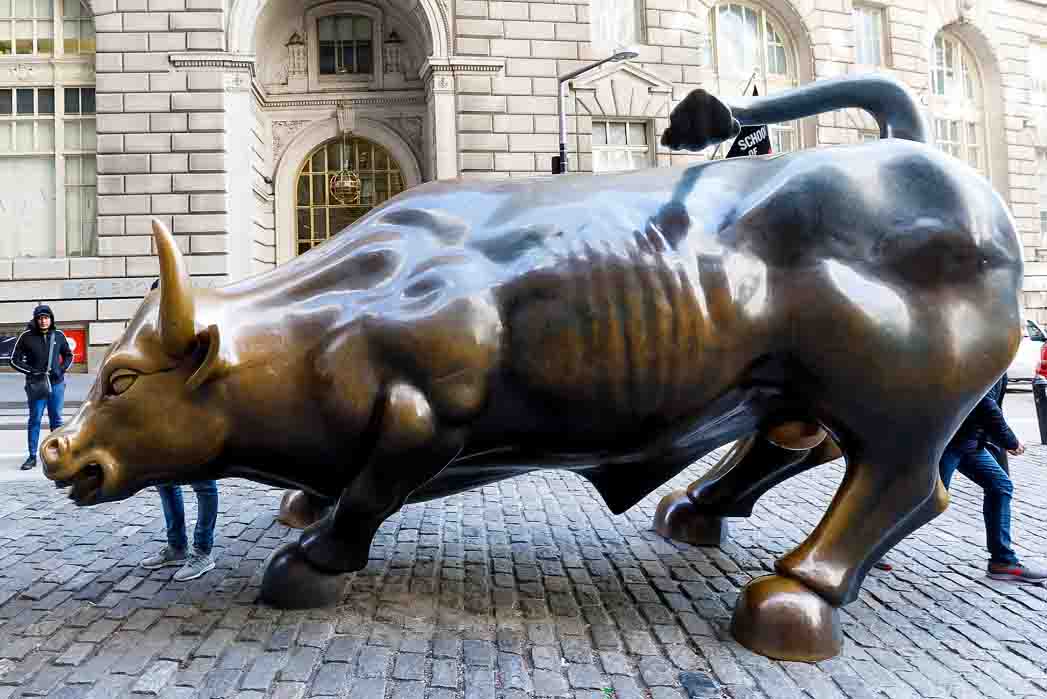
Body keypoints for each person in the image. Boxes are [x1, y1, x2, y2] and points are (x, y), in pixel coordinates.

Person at [139, 279, 219, 582]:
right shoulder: (147, 335)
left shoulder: (195, 330)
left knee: (203, 487)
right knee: (166, 483)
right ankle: (177, 547)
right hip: (161, 423)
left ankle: (203, 552)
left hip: (192, 422)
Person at [939, 374, 1047, 583]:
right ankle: (869, 548)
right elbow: (984, 404)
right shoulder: (988, 353)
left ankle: (1002, 561)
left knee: (1000, 486)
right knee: (924, 503)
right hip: (947, 442)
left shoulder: (999, 357)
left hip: (968, 442)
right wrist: (1009, 439)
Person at [9, 305, 74, 470]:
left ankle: (57, 455)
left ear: (51, 319)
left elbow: (68, 355)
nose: (43, 321)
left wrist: (61, 369)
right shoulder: (26, 336)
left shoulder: (58, 335)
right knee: (35, 420)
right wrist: (32, 371)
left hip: (56, 384)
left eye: (46, 317)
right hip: (36, 385)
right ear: (36, 320)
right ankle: (32, 456)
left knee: (57, 420)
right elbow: (14, 360)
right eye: (40, 318)